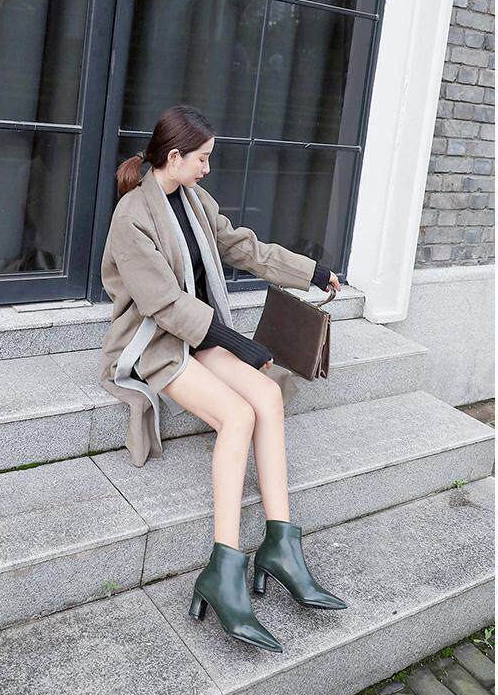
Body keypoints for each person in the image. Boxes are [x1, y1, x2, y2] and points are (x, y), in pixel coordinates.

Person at [99, 105, 346, 652]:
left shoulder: (194, 199)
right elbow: (163, 304)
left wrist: (312, 271)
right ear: (174, 157)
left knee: (267, 396)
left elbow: (242, 247)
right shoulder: (131, 216)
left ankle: (282, 546)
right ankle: (224, 567)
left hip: (200, 334)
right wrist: (239, 344)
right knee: (236, 415)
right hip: (155, 341)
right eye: (203, 158)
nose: (208, 168)